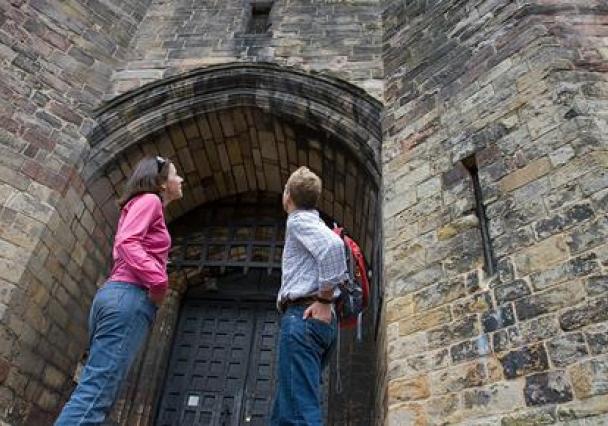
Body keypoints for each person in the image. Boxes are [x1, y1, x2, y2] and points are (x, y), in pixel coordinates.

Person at [55, 155, 183, 425]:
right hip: (129, 295)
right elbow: (127, 242)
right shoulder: (150, 201)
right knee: (95, 394)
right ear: (161, 183)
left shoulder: (141, 204)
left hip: (117, 295)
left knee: (95, 389)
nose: (180, 179)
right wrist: (159, 281)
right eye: (175, 174)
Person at [271, 166, 347, 426]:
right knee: (287, 408)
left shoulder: (298, 220)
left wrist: (324, 301)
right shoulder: (315, 222)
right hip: (315, 323)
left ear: (288, 195)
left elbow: (334, 247)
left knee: (297, 412)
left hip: (303, 318)